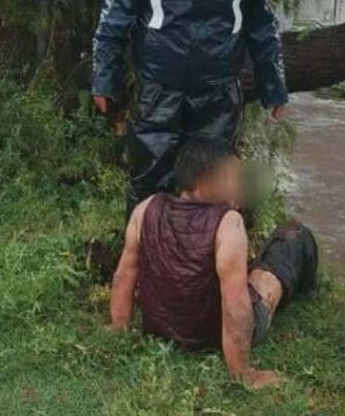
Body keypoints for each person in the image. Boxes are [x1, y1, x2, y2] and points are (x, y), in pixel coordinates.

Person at [91, 0, 288, 216]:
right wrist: (103, 80)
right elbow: (114, 20)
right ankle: (145, 254)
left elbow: (263, 29)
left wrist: (275, 88)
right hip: (159, 93)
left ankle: (202, 260)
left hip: (217, 96)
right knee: (149, 179)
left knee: (210, 185)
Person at [108, 139, 318, 389]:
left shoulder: (145, 208)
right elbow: (236, 304)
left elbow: (124, 275)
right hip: (211, 335)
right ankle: (307, 285)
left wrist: (119, 327)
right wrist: (243, 373)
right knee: (293, 239)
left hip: (159, 328)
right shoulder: (229, 223)